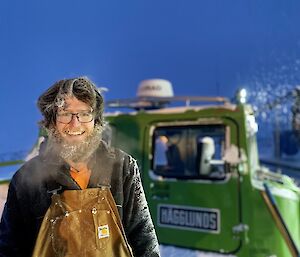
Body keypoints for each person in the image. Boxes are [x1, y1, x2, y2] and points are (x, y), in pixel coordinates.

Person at [0, 77, 160, 257]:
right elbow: (9, 249)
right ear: (52, 121)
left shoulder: (123, 167)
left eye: (84, 114)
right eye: (65, 114)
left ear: (96, 120)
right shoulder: (26, 178)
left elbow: (144, 241)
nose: (75, 124)